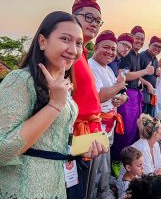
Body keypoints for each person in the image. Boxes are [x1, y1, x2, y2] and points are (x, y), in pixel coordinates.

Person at [0, 11, 104, 198]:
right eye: (65, 39)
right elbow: (3, 149)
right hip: (25, 190)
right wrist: (54, 106)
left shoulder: (65, 87)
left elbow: (50, 142)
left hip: (57, 186)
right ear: (42, 41)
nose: (73, 50)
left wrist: (80, 148)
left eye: (79, 43)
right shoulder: (21, 80)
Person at [71, 0, 108, 199]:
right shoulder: (70, 52)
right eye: (88, 17)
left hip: (89, 134)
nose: (94, 24)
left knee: (84, 187)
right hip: (77, 133)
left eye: (98, 20)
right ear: (73, 17)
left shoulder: (83, 51)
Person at [88, 30, 127, 198]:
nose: (110, 52)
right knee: (94, 165)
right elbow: (97, 96)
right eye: (106, 47)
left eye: (113, 49)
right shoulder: (91, 66)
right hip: (95, 124)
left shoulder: (109, 69)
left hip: (108, 123)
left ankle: (103, 190)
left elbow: (114, 93)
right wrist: (119, 87)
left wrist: (122, 97)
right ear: (95, 47)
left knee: (104, 160)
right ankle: (92, 194)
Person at [111, 26, 154, 162]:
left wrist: (145, 82)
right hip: (126, 95)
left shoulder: (135, 55)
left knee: (133, 131)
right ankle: (119, 161)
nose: (139, 41)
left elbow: (134, 74)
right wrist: (145, 72)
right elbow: (125, 75)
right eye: (137, 38)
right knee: (124, 131)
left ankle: (129, 161)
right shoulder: (126, 54)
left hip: (135, 95)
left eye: (142, 39)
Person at [140, 36, 161, 117]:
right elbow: (135, 74)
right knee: (143, 117)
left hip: (152, 92)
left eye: (159, 47)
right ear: (149, 45)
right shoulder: (142, 56)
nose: (157, 48)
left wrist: (157, 74)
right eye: (155, 45)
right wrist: (148, 84)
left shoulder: (156, 59)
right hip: (142, 91)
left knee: (150, 116)